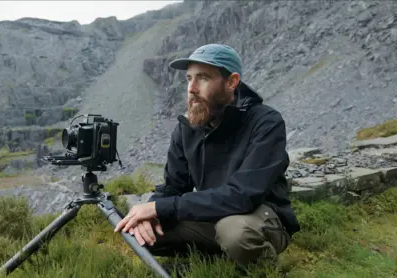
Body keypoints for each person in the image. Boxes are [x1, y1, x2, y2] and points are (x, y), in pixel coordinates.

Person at [114, 43, 300, 269]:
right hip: (212, 216)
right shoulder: (187, 127)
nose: (192, 88)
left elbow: (243, 195)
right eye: (189, 79)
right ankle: (218, 263)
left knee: (234, 233)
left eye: (202, 78)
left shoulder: (265, 122)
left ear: (231, 82)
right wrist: (152, 208)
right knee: (141, 230)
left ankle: (265, 270)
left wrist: (161, 208)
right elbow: (173, 187)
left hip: (260, 218)